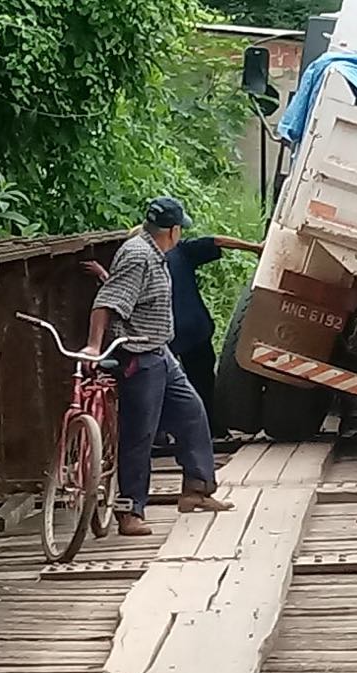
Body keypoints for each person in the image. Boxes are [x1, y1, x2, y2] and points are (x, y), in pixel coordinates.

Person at [80, 197, 234, 537]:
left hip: (159, 350)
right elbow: (107, 299)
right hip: (138, 354)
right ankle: (130, 509)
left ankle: (196, 489)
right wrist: (94, 344)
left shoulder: (153, 252)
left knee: (192, 412)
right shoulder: (139, 256)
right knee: (140, 433)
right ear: (174, 230)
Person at [84, 232, 263, 436]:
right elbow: (217, 240)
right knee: (202, 382)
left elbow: (124, 294)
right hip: (196, 329)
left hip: (164, 335)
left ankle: (160, 435)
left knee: (158, 386)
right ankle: (214, 430)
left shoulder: (141, 259)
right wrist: (254, 246)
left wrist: (103, 275)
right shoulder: (183, 250)